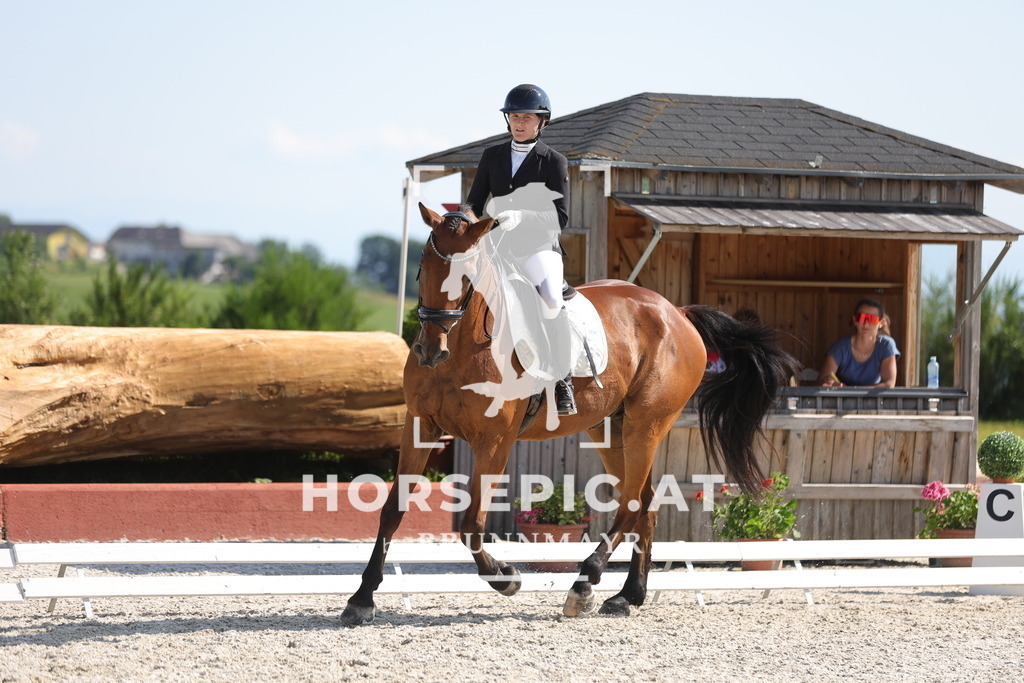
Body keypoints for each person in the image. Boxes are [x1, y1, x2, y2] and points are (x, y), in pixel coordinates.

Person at [465, 84, 576, 416]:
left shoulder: (553, 161)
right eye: (514, 116)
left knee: (552, 300)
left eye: (527, 117)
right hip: (497, 248)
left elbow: (560, 216)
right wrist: (463, 220)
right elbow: (473, 202)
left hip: (538, 249)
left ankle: (563, 380)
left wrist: (523, 216)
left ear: (542, 122)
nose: (519, 122)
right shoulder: (492, 156)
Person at [818, 298, 900, 388]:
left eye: (871, 319)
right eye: (861, 318)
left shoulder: (886, 345)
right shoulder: (840, 347)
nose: (866, 324)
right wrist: (830, 383)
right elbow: (821, 381)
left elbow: (889, 384)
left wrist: (852, 391)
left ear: (881, 322)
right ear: (855, 320)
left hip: (874, 400)